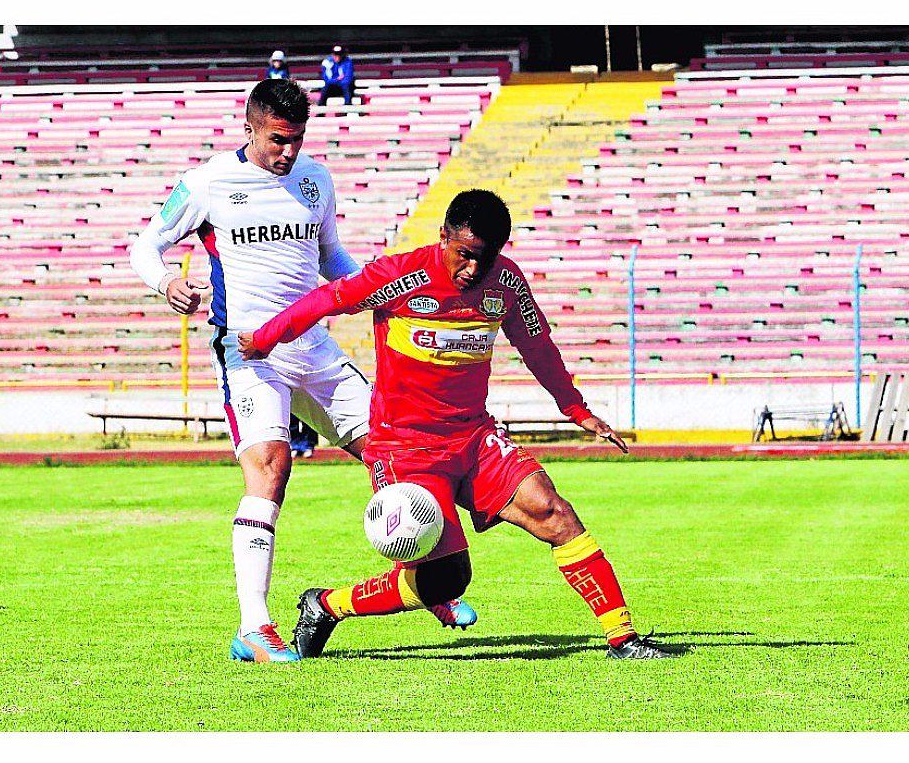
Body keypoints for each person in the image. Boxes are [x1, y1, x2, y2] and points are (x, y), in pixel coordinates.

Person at [240, 190, 682, 660]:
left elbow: (539, 349)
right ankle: (326, 605)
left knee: (555, 513)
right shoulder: (398, 277)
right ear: (444, 237)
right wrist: (266, 338)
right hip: (404, 448)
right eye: (464, 255)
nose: (473, 270)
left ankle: (624, 638)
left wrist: (576, 409)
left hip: (474, 438)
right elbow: (327, 299)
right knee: (449, 577)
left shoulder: (507, 285)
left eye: (485, 259)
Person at [128, 79, 474, 663]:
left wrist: (386, 289)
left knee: (393, 447)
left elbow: (331, 259)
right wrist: (167, 282)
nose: (287, 152)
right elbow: (146, 244)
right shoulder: (209, 183)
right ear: (250, 129)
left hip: (312, 346)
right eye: (277, 140)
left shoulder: (315, 179)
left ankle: (422, 575)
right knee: (271, 466)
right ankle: (254, 627)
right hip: (247, 349)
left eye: (297, 139)